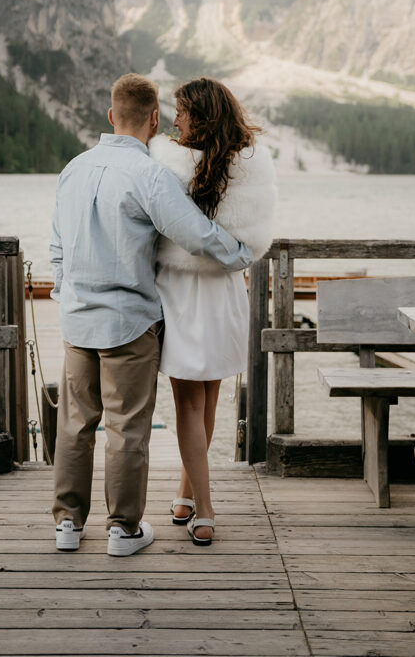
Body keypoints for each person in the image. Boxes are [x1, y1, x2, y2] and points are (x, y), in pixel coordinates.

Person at [49, 73, 253, 557]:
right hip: (128, 322)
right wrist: (243, 253)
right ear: (155, 119)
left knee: (75, 425)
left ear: (110, 115)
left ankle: (68, 526)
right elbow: (198, 236)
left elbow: (57, 245)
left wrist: (65, 292)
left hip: (76, 319)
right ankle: (122, 531)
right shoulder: (150, 175)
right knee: (127, 428)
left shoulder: (73, 168)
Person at [149, 77, 276, 545]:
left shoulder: (167, 164)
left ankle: (204, 506)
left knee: (189, 401)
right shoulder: (249, 166)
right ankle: (186, 492)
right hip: (224, 290)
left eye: (181, 111)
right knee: (206, 398)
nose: (174, 119)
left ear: (200, 115)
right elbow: (249, 239)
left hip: (182, 289)